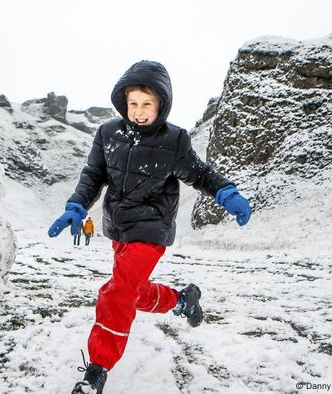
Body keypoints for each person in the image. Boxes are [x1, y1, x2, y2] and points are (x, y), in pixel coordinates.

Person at [47, 60, 251, 394]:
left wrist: (226, 192)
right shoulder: (108, 133)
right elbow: (94, 175)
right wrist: (76, 205)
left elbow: (198, 174)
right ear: (123, 103)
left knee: (115, 293)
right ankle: (183, 301)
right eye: (133, 104)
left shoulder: (174, 141)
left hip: (152, 230)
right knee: (132, 291)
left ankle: (97, 370)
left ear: (162, 104)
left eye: (147, 104)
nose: (139, 112)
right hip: (118, 228)